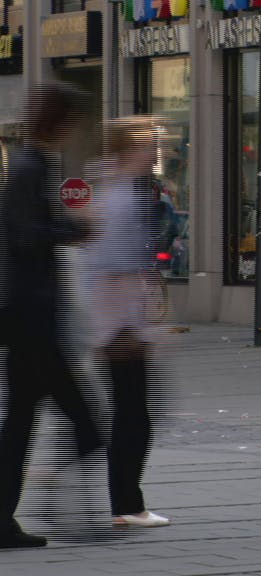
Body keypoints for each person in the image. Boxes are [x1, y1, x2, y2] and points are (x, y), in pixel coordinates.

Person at [0, 83, 102, 548]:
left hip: (32, 319)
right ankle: (53, 502)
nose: (74, 131)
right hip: (31, 321)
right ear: (58, 123)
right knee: (81, 422)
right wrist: (74, 227)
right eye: (72, 122)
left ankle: (13, 516)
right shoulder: (28, 167)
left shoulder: (30, 164)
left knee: (24, 422)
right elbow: (24, 238)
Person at [81, 116, 169, 527]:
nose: (155, 153)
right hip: (119, 326)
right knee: (133, 415)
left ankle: (127, 503)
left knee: (132, 412)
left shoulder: (119, 191)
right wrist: (128, 329)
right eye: (148, 145)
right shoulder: (120, 198)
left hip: (119, 324)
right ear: (128, 149)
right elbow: (109, 269)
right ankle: (127, 505)